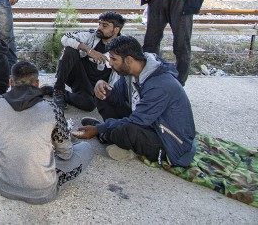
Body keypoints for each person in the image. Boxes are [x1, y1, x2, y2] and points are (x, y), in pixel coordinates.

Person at [0, 61, 93, 204]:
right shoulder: (52, 108)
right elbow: (65, 154)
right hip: (42, 193)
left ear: (11, 82)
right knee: (86, 148)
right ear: (37, 84)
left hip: (2, 185)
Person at [76, 36, 196, 167]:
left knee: (127, 130)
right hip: (146, 123)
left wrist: (98, 129)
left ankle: (109, 136)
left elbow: (137, 121)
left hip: (169, 144)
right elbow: (117, 98)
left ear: (128, 60)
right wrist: (100, 84)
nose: (110, 63)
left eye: (114, 59)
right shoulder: (131, 73)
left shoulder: (160, 85)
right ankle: (112, 135)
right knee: (103, 94)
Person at [42, 12, 125, 111]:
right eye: (99, 24)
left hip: (96, 87)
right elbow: (65, 38)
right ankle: (58, 89)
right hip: (79, 77)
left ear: (116, 29)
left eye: (104, 26)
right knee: (70, 50)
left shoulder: (124, 46)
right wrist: (89, 50)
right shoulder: (92, 35)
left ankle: (53, 91)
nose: (99, 28)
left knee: (89, 105)